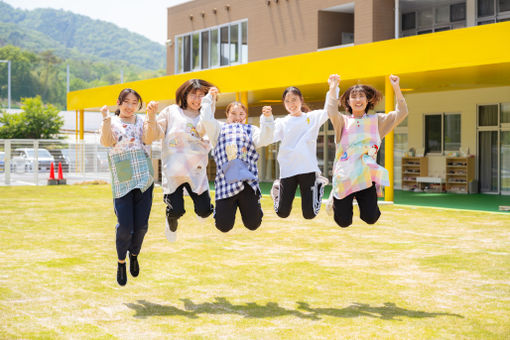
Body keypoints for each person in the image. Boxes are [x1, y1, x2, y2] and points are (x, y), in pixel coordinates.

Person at [327, 74, 408, 228]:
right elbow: (331, 111)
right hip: (345, 176)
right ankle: (336, 198)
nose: (358, 100)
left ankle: (359, 199)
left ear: (367, 100)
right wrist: (332, 88)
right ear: (348, 102)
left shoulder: (377, 121)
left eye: (361, 96)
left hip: (366, 176)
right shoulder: (343, 121)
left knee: (371, 218)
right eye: (354, 97)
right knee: (343, 222)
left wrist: (396, 88)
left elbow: (402, 113)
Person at [100, 88, 160, 286]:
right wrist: (105, 120)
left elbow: (150, 138)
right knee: (125, 227)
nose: (130, 106)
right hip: (123, 179)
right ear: (118, 102)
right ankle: (121, 261)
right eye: (126, 102)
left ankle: (134, 254)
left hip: (144, 178)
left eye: (134, 103)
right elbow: (106, 141)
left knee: (141, 226)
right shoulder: (112, 121)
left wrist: (151, 116)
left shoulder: (143, 121)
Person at [199, 87, 275, 232]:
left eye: (241, 114)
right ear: (227, 114)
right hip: (225, 182)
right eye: (233, 113)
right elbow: (206, 119)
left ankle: (255, 205)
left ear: (245, 116)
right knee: (223, 226)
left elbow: (266, 138)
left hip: (247, 183)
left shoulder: (250, 130)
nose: (237, 116)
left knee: (253, 225)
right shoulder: (218, 130)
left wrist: (267, 119)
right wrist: (210, 98)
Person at [156, 79, 215, 241]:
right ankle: (171, 221)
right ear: (184, 94)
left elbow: (209, 131)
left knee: (205, 211)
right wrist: (150, 118)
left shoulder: (205, 116)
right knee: (176, 210)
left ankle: (202, 210)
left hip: (196, 169)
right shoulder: (171, 111)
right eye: (193, 95)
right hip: (174, 169)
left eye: (201, 96)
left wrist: (212, 102)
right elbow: (158, 130)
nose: (197, 100)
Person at [270, 83, 331, 220]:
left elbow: (328, 110)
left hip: (307, 169)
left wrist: (333, 89)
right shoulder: (281, 122)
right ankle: (277, 190)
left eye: (294, 100)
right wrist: (266, 119)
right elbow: (268, 137)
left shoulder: (312, 117)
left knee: (309, 214)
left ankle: (319, 185)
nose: (291, 104)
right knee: (282, 213)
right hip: (288, 170)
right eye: (287, 101)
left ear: (301, 100)